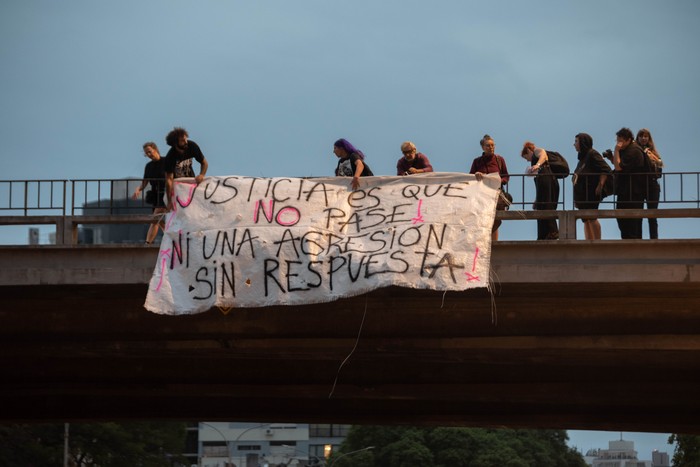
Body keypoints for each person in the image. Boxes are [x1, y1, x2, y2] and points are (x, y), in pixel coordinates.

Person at [572, 133, 612, 240]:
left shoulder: (592, 154)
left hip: (591, 193)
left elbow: (605, 169)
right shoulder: (582, 159)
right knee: (586, 219)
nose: (574, 144)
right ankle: (588, 242)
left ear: (582, 142)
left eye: (576, 141)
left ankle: (597, 242)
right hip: (582, 196)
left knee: (592, 217)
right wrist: (576, 198)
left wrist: (600, 184)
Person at [469, 134, 510, 241]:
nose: (491, 147)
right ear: (483, 147)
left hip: (496, 193)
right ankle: (485, 241)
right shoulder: (477, 161)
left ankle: (493, 243)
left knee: (495, 219)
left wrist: (501, 181)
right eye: (488, 145)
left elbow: (506, 175)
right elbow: (470, 177)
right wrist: (476, 175)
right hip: (482, 195)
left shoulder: (499, 160)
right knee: (485, 218)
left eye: (492, 145)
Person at [521, 142, 560, 240]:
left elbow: (543, 155)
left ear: (529, 151)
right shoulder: (535, 163)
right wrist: (536, 199)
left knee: (547, 205)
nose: (527, 160)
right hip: (542, 181)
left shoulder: (536, 151)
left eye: (526, 157)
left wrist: (537, 165)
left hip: (546, 179)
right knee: (541, 205)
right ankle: (543, 234)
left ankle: (553, 231)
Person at [164, 127, 209, 211]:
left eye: (186, 139)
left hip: (190, 182)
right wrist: (169, 201)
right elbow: (169, 180)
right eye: (182, 141)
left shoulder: (192, 146)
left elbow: (204, 163)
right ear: (175, 143)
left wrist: (202, 175)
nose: (186, 142)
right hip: (178, 186)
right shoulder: (170, 157)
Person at [613, 127, 646, 239]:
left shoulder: (634, 151)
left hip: (633, 193)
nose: (618, 143)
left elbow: (619, 168)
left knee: (631, 223)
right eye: (617, 141)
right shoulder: (628, 150)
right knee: (622, 219)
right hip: (626, 191)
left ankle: (633, 248)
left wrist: (616, 151)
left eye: (620, 141)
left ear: (628, 140)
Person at [132, 142, 167, 244]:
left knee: (155, 218)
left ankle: (148, 243)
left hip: (166, 193)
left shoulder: (166, 161)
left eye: (149, 152)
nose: (148, 154)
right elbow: (144, 182)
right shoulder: (148, 166)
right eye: (146, 153)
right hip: (155, 194)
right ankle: (171, 238)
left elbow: (173, 177)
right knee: (159, 220)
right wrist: (138, 189)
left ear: (155, 149)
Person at [636, 128, 663, 239]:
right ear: (637, 138)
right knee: (639, 214)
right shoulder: (635, 151)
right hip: (638, 186)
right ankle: (638, 239)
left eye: (646, 136)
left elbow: (659, 172)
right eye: (641, 136)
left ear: (649, 138)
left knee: (652, 215)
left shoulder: (654, 153)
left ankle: (654, 238)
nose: (643, 138)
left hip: (652, 186)